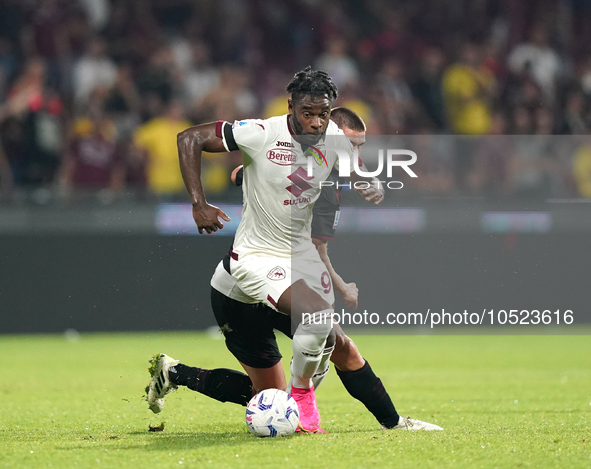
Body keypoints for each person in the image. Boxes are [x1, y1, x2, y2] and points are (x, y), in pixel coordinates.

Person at [146, 106, 443, 432]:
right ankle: (175, 373)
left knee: (340, 347)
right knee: (273, 390)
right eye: (350, 144)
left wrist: (339, 284)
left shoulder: (329, 187)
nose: (354, 153)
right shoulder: (293, 160)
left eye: (359, 147)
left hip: (284, 282)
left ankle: (394, 423)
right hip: (242, 290)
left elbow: (316, 249)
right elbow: (241, 170)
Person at [171, 67, 382, 432]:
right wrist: (198, 203)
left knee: (330, 350)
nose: (316, 123)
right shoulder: (261, 133)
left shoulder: (334, 137)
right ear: (290, 106)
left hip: (293, 265)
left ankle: (393, 423)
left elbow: (356, 169)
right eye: (308, 113)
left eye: (323, 114)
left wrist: (370, 182)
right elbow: (189, 137)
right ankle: (302, 397)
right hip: (252, 264)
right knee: (315, 321)